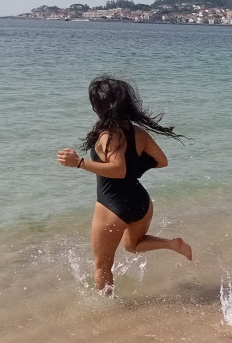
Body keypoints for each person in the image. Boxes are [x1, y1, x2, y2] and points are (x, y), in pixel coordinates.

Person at [57, 76, 192, 295]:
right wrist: (134, 170)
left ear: (97, 106)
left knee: (102, 266)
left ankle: (108, 315)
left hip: (112, 206)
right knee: (132, 245)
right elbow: (161, 161)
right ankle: (171, 244)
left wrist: (79, 163)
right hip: (140, 202)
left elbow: (118, 169)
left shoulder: (109, 135)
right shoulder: (138, 132)